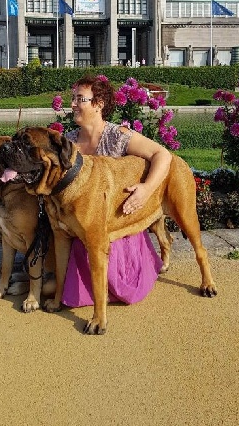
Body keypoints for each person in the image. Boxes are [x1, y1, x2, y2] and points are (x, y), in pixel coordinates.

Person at [61, 74, 172, 307]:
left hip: (116, 223)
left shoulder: (117, 136)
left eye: (80, 99)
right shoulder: (67, 143)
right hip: (78, 224)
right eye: (73, 98)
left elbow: (162, 154)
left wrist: (146, 189)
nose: (72, 104)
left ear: (98, 104)